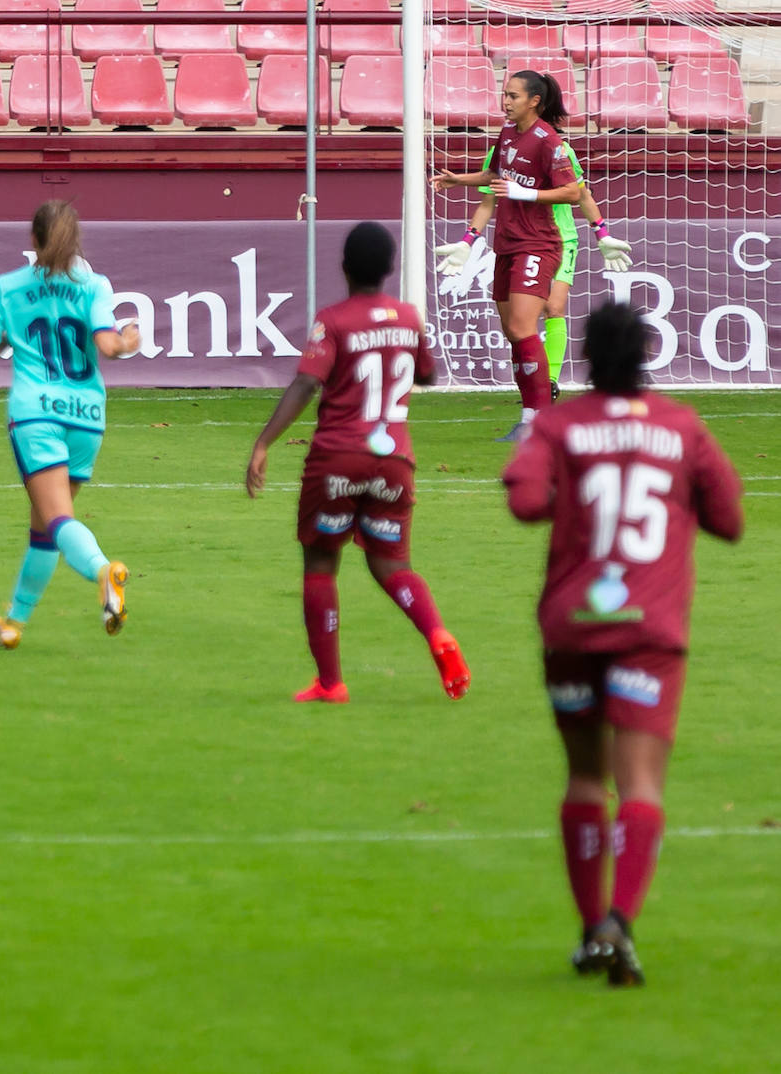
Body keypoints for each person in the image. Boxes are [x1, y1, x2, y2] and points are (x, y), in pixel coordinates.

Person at [503, 302, 743, 987]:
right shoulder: (681, 426)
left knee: (585, 776)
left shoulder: (558, 424)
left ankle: (588, 933)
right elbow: (728, 520)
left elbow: (523, 502)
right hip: (650, 631)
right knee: (640, 782)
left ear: (586, 356)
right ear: (646, 354)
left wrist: (571, 499)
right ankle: (622, 926)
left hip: (574, 625)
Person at [246, 222, 470, 704]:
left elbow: (307, 383)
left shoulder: (334, 320)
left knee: (322, 562)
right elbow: (428, 375)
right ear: (391, 269)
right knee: (392, 564)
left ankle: (330, 682)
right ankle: (436, 634)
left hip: (339, 459)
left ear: (344, 267)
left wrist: (264, 442)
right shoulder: (409, 318)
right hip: (394, 462)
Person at [0, 199, 140, 649]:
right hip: (87, 416)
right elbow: (107, 346)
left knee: (58, 519)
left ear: (33, 238)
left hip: (36, 414)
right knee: (45, 526)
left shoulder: (8, 287)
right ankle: (14, 622)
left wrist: (12, 332)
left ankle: (104, 571)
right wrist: (130, 339)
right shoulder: (95, 285)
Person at [430, 71, 584, 441]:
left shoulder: (549, 142)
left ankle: (537, 417)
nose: (506, 101)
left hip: (539, 244)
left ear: (535, 101)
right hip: (507, 244)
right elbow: (494, 174)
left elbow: (572, 193)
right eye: (504, 94)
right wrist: (460, 180)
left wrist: (525, 194)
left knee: (521, 327)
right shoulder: (507, 134)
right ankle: (530, 415)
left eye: (513, 95)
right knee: (513, 333)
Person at [435, 126, 634, 403]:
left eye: (514, 98)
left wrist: (603, 234)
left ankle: (549, 381)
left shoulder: (560, 151)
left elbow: (582, 194)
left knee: (553, 307)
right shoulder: (500, 152)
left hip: (561, 238)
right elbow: (487, 202)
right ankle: (532, 383)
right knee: (516, 322)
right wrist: (467, 241)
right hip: (521, 242)